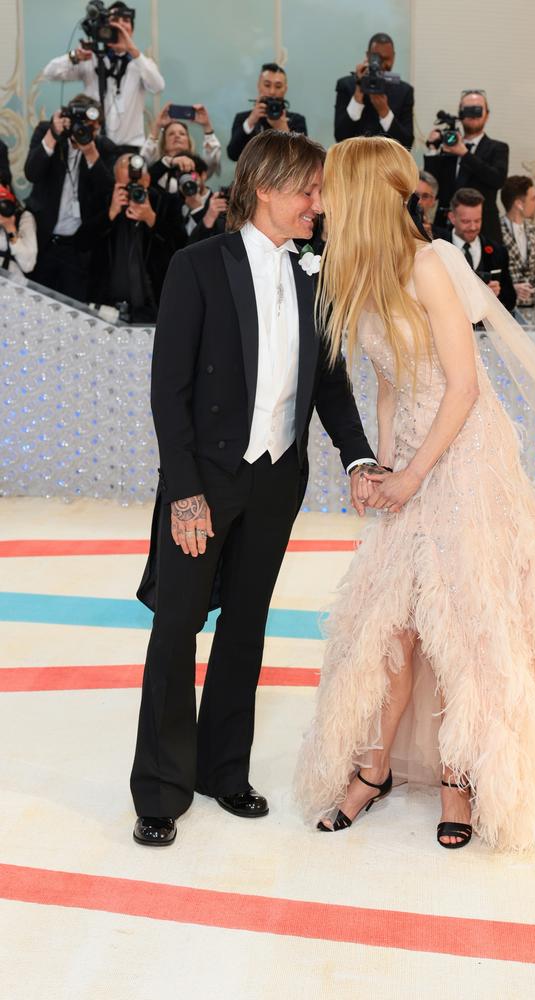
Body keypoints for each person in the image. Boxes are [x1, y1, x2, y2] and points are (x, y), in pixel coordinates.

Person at [294, 136, 535, 852]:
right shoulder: (361, 269)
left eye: (329, 185)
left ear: (359, 191)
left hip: (464, 457)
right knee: (391, 622)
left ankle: (459, 775)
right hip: (413, 464)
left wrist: (416, 474)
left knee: (462, 622)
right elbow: (390, 379)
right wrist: (381, 466)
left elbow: (463, 387)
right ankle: (374, 768)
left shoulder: (432, 263)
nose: (319, 197)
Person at [130, 130, 378, 846]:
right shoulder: (196, 266)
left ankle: (222, 771)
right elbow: (167, 392)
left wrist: (358, 458)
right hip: (201, 483)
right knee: (177, 628)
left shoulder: (314, 278)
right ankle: (161, 789)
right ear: (266, 186)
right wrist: (183, 492)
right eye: (309, 190)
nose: (318, 204)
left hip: (276, 482)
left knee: (245, 626)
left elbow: (329, 383)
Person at [24, 96, 116, 300]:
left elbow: (106, 191)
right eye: (79, 123)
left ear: (98, 127)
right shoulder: (46, 131)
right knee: (35, 303)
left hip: (77, 248)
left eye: (90, 125)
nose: (83, 129)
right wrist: (52, 136)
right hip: (42, 240)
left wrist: (91, 154)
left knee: (74, 309)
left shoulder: (104, 147)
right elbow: (32, 173)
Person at [42, 2, 164, 151]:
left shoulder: (141, 63)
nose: (120, 26)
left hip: (129, 148)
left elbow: (158, 86)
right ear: (104, 27)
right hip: (93, 145)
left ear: (131, 30)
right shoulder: (91, 58)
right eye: (115, 21)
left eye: (126, 21)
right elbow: (49, 73)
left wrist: (132, 50)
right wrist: (75, 56)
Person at [86, 153, 185, 323]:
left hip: (152, 306)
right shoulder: (103, 200)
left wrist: (151, 219)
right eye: (127, 166)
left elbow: (179, 249)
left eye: (137, 183)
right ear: (115, 177)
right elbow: (82, 243)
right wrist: (110, 214)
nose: (133, 189)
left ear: (147, 179)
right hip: (105, 307)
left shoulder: (165, 202)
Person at [423, 90, 508, 244]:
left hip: (484, 230)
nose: (472, 114)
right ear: (460, 114)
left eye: (478, 109)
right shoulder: (446, 147)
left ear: (487, 115)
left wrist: (464, 153)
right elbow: (431, 186)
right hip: (445, 230)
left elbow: (497, 179)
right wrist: (433, 150)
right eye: (467, 109)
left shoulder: (498, 148)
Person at [436, 187, 516, 311]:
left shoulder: (498, 251)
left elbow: (510, 300)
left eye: (477, 221)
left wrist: (495, 295)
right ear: (452, 218)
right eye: (466, 221)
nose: (473, 227)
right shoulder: (436, 250)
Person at [334, 33, 414, 150]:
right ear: (368, 56)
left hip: (388, 164)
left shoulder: (404, 91)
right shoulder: (347, 85)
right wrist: (357, 98)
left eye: (386, 59)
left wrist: (384, 112)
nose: (382, 65)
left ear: (394, 57)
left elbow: (407, 144)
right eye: (377, 59)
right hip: (354, 162)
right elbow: (340, 136)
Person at [227, 63, 307, 162]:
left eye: (278, 86)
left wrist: (282, 128)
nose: (272, 92)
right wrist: (250, 122)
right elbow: (233, 155)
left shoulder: (296, 120)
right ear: (258, 86)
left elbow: (303, 160)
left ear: (285, 89)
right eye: (267, 85)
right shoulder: (243, 118)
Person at [141, 102, 221, 178]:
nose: (177, 136)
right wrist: (157, 126)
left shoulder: (197, 167)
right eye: (171, 134)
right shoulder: (158, 167)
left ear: (189, 143)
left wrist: (206, 125)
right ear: (164, 144)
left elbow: (212, 160)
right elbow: (144, 161)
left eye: (182, 134)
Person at [499, 175, 535, 307]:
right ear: (519, 204)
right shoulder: (496, 231)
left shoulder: (534, 232)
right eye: (533, 199)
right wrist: (512, 288)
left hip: (530, 307)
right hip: (504, 307)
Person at [0, 182, 38, 280]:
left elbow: (28, 265)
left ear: (7, 188)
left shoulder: (24, 218)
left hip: (11, 287)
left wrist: (11, 230)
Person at [415, 171, 438, 239]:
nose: (419, 201)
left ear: (433, 201)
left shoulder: (439, 237)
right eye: (415, 195)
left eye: (425, 196)